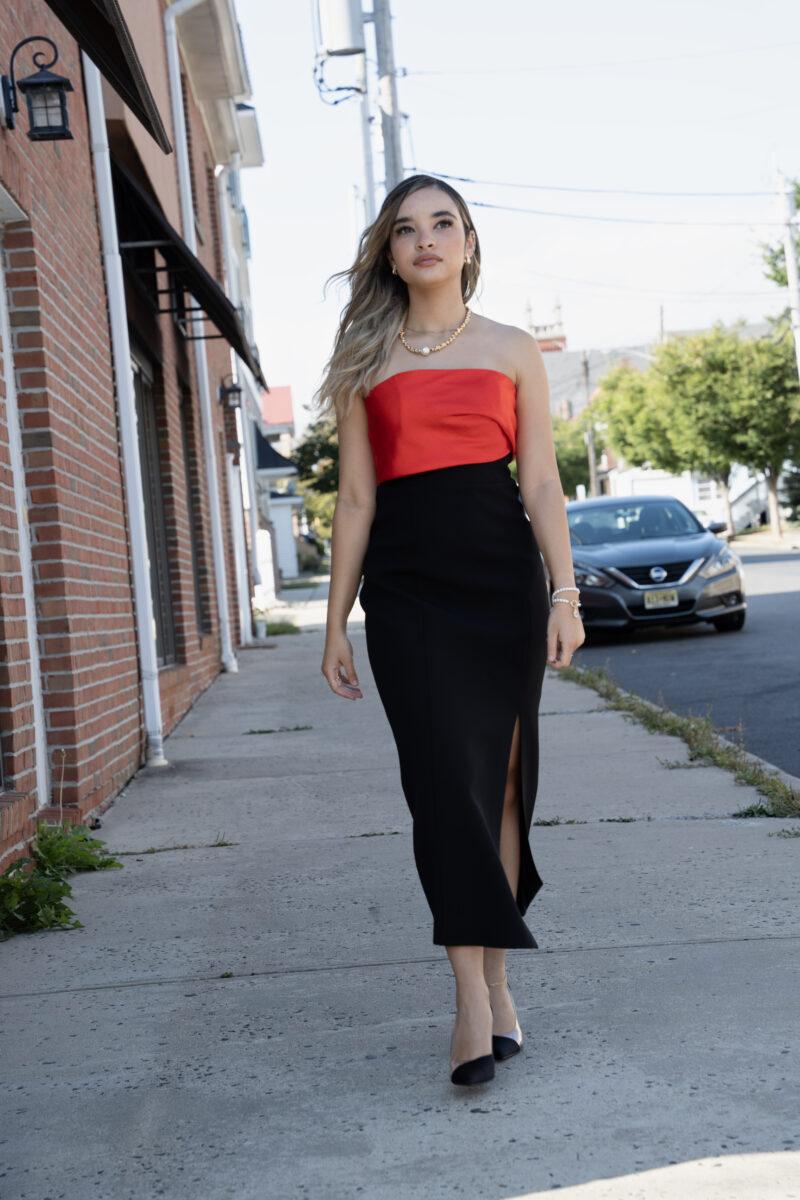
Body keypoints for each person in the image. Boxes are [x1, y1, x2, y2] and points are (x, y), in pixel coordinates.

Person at [315, 174, 585, 1087]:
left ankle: (499, 986)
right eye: (406, 229)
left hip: (502, 584)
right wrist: (336, 623)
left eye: (442, 224)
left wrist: (566, 596)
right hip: (408, 593)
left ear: (468, 242)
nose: (425, 239)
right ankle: (468, 995)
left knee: (503, 787)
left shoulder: (512, 348)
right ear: (389, 252)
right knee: (443, 789)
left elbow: (542, 482)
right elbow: (355, 499)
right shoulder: (366, 356)